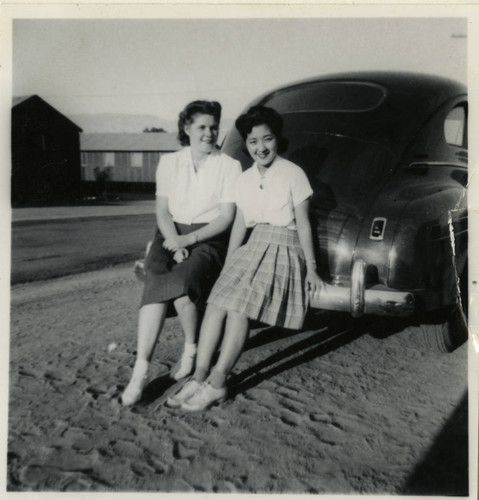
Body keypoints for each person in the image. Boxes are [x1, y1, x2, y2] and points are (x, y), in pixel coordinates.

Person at [166, 105, 324, 412]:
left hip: (283, 247)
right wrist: (229, 264)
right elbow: (240, 222)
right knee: (216, 303)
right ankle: (198, 377)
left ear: (277, 139)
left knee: (239, 309)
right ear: (247, 144)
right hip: (252, 248)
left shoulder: (293, 174)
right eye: (253, 142)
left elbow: (304, 224)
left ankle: (217, 383)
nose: (260, 147)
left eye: (267, 139)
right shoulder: (245, 178)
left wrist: (312, 270)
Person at [121, 100, 242, 406]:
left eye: (213, 126)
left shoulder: (230, 165)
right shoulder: (169, 163)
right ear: (186, 128)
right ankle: (140, 372)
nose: (208, 133)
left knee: (183, 291)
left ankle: (190, 349)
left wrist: (189, 241)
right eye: (201, 126)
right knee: (154, 286)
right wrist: (174, 241)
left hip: (208, 237)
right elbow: (161, 210)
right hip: (169, 233)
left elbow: (226, 218)